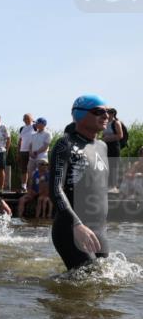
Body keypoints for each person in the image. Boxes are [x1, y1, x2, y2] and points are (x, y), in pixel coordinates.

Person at [49, 94, 113, 271]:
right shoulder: (65, 144)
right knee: (88, 279)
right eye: (99, 111)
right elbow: (55, 189)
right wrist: (76, 224)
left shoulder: (103, 146)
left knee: (101, 282)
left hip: (99, 229)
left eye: (109, 112)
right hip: (72, 228)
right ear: (79, 114)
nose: (106, 116)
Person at [102, 110, 125, 191]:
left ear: (112, 114)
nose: (106, 114)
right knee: (106, 165)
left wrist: (108, 138)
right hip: (106, 146)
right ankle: (108, 185)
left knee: (114, 165)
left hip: (114, 146)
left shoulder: (116, 123)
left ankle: (114, 186)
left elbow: (120, 135)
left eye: (108, 112)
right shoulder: (105, 123)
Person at [17, 114, 35, 191]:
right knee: (23, 169)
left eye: (26, 118)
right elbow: (20, 140)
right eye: (24, 118)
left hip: (32, 151)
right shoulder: (23, 128)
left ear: (31, 119)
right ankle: (24, 186)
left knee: (32, 169)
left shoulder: (35, 126)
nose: (25, 120)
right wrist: (18, 152)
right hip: (23, 150)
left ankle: (33, 186)